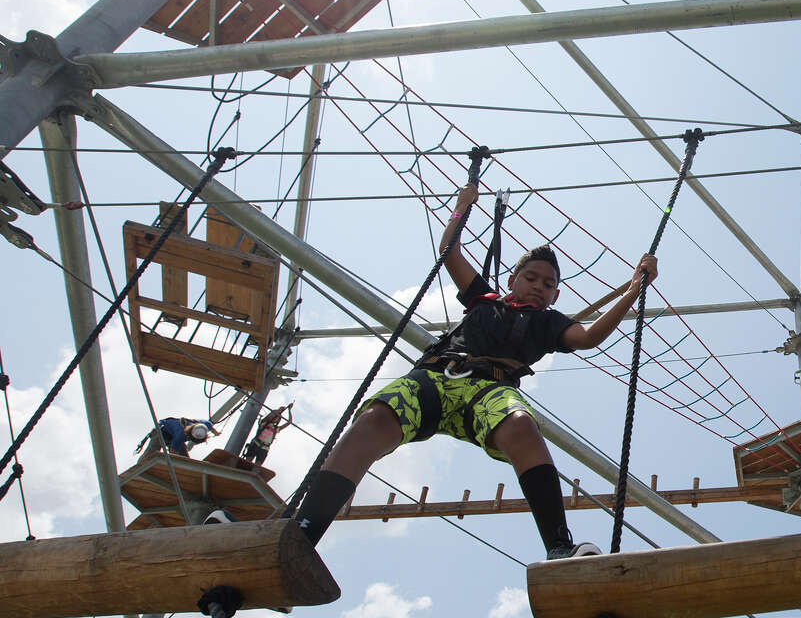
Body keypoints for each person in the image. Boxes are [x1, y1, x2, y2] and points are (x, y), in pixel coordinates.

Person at [294, 182, 658, 559]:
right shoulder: (483, 299)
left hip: (489, 391)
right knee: (375, 419)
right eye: (530, 278)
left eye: (548, 284)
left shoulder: (549, 323)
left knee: (520, 426)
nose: (538, 287)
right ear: (512, 280)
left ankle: (559, 546)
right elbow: (449, 251)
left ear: (556, 295)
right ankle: (304, 533)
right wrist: (460, 208)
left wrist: (634, 289)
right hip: (438, 378)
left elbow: (589, 336)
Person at [136, 417, 217, 462]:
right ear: (190, 434)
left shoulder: (205, 426)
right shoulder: (180, 435)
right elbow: (173, 453)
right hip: (162, 432)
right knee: (150, 453)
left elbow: (210, 426)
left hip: (173, 433)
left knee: (185, 460)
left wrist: (216, 433)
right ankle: (139, 466)